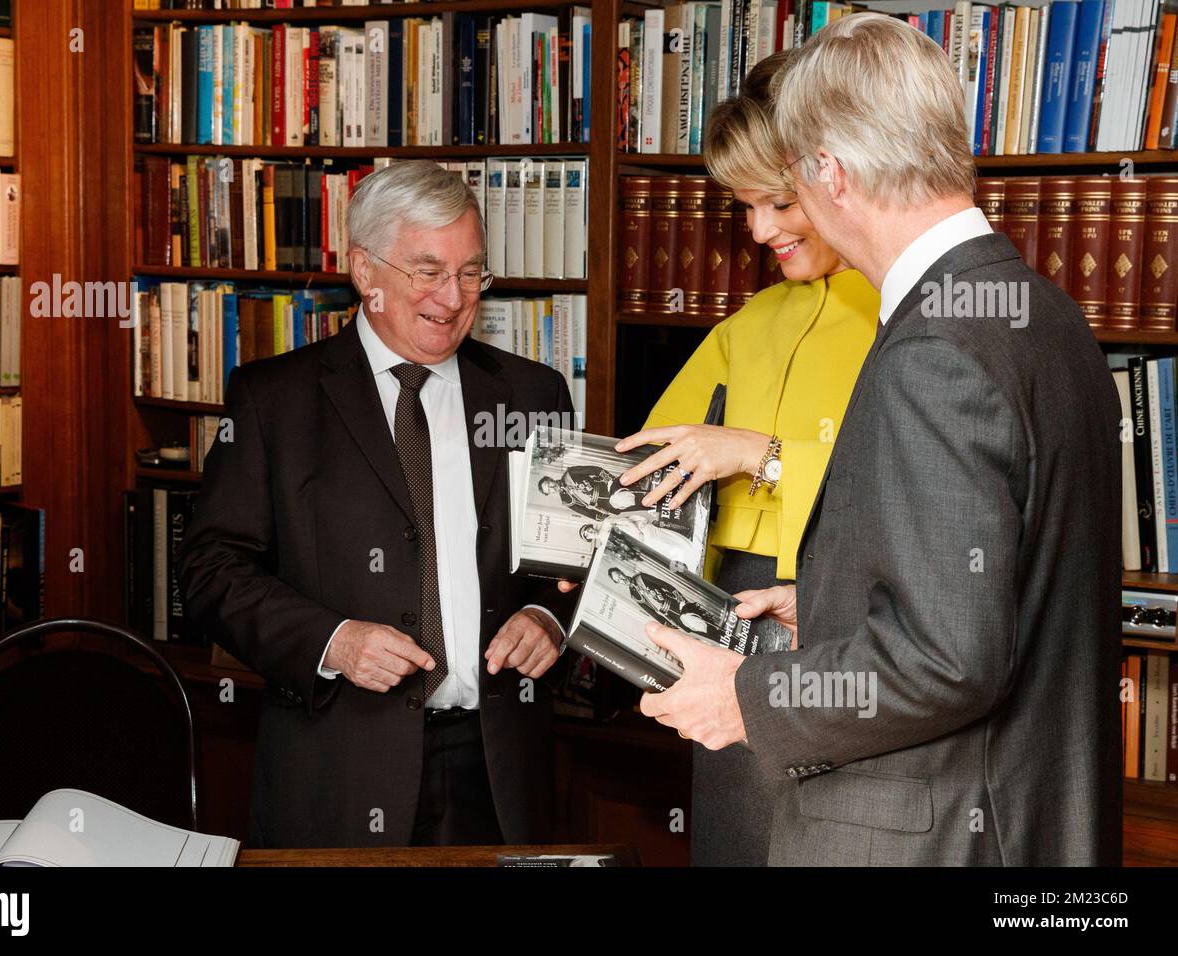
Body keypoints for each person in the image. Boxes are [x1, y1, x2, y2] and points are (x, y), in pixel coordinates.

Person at [639, 13, 1121, 865]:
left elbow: (947, 662)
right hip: (1026, 818)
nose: (768, 218)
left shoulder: (931, 351)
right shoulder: (1043, 314)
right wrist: (828, 604)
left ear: (829, 171)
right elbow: (996, 590)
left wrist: (748, 699)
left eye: (786, 178)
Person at [178, 160, 577, 848]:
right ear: (365, 272)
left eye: (470, 272)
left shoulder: (532, 394)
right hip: (338, 765)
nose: (452, 299)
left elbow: (580, 560)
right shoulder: (274, 401)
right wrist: (334, 641)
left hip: (497, 768)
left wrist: (548, 617)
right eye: (428, 271)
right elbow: (211, 572)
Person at [612, 49, 880, 865]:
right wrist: (596, 541)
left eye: (776, 201)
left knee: (838, 836)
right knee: (735, 839)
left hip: (849, 608)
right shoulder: (752, 318)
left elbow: (908, 494)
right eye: (746, 207)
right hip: (730, 603)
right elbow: (656, 458)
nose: (760, 231)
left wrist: (760, 456)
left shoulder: (907, 311)